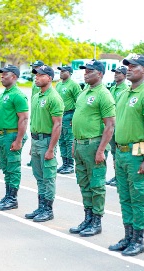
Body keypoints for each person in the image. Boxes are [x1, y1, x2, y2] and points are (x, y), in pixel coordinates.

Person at [108, 55, 144, 256]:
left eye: (133, 66)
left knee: (137, 198)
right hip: (121, 153)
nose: (128, 69)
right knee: (125, 197)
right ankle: (128, 236)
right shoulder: (123, 94)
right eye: (127, 66)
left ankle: (138, 240)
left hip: (137, 154)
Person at [69, 59, 115, 237]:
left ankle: (96, 221)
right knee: (84, 183)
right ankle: (87, 217)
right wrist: (75, 142)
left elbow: (110, 125)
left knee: (96, 185)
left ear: (100, 74)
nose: (85, 73)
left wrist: (101, 150)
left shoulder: (103, 94)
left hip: (94, 145)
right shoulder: (83, 92)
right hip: (80, 144)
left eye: (90, 71)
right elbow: (78, 120)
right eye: (85, 70)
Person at [25, 65, 64, 222]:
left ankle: (48, 210)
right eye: (36, 75)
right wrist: (32, 144)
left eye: (40, 75)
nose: (37, 77)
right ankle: (41, 206)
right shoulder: (37, 97)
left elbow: (57, 125)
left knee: (48, 177)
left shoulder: (54, 97)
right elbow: (35, 121)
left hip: (47, 141)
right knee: (39, 176)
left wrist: (51, 149)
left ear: (49, 78)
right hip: (36, 140)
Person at [0, 64, 29, 211]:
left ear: (13, 77)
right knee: (6, 167)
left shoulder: (18, 95)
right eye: (1, 74)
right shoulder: (4, 94)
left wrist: (18, 140)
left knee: (13, 168)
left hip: (12, 135)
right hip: (3, 135)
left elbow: (24, 119)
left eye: (5, 74)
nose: (1, 76)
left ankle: (12, 198)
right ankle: (8, 196)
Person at [55, 65, 81, 175]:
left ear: (69, 73)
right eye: (60, 70)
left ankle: (70, 165)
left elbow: (79, 102)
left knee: (69, 141)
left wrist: (74, 118)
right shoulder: (58, 85)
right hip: (60, 115)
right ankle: (64, 163)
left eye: (63, 71)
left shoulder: (74, 85)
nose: (61, 72)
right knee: (61, 140)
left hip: (69, 114)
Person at [106, 66, 129, 187]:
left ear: (125, 75)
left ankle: (120, 177)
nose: (116, 74)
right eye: (115, 72)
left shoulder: (125, 89)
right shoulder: (113, 88)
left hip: (119, 124)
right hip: (111, 124)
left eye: (119, 73)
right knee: (114, 152)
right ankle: (116, 176)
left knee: (119, 152)